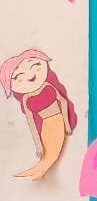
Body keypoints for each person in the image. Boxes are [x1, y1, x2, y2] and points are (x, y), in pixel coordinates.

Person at [1, 49, 77, 179]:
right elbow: (31, 124)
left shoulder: (48, 85)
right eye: (18, 76)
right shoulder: (26, 99)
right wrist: (38, 145)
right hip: (46, 127)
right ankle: (37, 173)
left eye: (35, 65)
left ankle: (38, 173)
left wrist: (67, 124)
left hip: (58, 121)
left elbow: (63, 102)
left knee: (53, 155)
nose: (29, 74)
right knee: (48, 155)